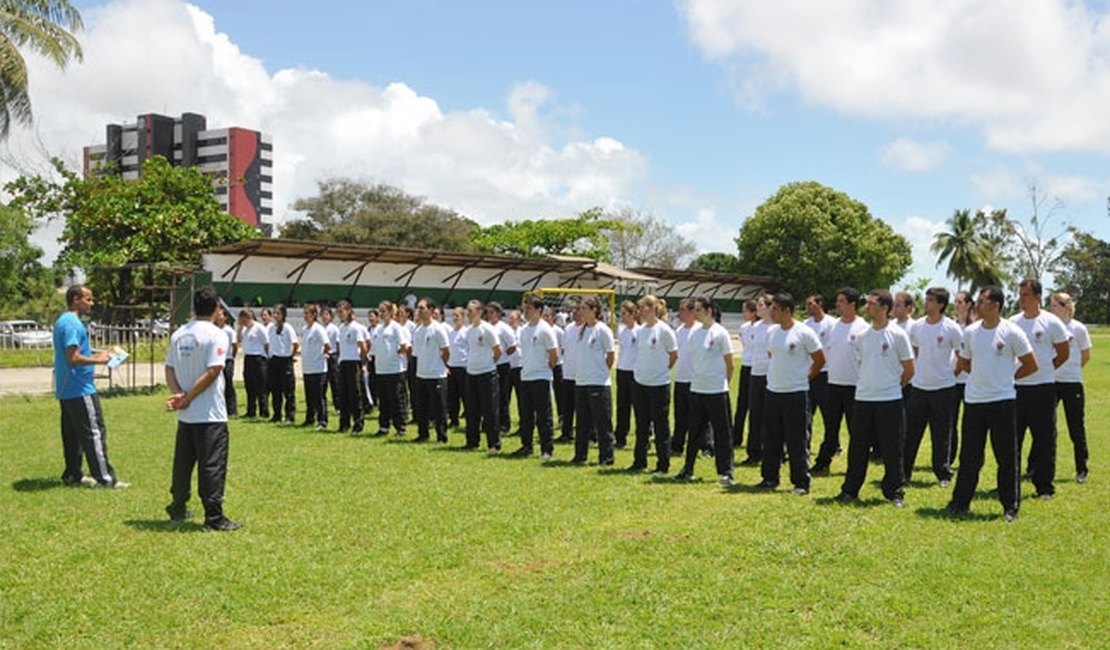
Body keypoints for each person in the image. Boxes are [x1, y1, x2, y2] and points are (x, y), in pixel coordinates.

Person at [948, 286, 1037, 521]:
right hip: (975, 401)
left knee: (1006, 457)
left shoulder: (1012, 332)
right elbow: (965, 362)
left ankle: (1010, 507)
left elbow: (1031, 364)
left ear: (995, 306)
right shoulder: (971, 332)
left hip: (1002, 402)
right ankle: (960, 503)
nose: (976, 305)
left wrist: (1008, 379)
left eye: (982, 301)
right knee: (969, 456)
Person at [164, 286, 240, 531]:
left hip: (186, 415)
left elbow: (169, 368)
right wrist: (188, 397)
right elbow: (213, 371)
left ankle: (178, 505)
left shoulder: (179, 334)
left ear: (194, 308)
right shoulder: (217, 335)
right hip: (209, 412)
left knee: (183, 462)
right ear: (217, 308)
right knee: (212, 463)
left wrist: (178, 394)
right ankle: (214, 517)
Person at [836, 290, 914, 507]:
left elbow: (909, 369)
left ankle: (894, 492)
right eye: (867, 303)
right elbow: (863, 364)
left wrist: (893, 386)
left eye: (871, 303)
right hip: (863, 399)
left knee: (892, 448)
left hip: (890, 400)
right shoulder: (862, 336)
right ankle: (850, 490)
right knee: (858, 447)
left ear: (884, 308)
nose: (867, 307)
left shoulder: (898, 335)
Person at [52, 284, 128, 488]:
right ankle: (105, 479)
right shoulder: (72, 323)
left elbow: (75, 352)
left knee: (73, 434)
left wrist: (99, 353)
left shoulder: (63, 321)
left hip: (67, 389)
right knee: (94, 432)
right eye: (88, 299)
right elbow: (73, 358)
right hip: (80, 388)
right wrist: (100, 360)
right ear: (75, 299)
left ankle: (72, 475)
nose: (91, 303)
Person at [757, 293, 824, 494]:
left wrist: (806, 377)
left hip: (796, 393)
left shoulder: (804, 332)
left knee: (797, 439)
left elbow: (819, 359)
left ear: (787, 311)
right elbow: (773, 355)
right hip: (773, 391)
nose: (771, 312)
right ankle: (770, 477)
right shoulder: (772, 332)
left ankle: (801, 482)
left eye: (775, 308)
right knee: (770, 438)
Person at [1011, 279, 1069, 499]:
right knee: (1012, 438)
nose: (1021, 298)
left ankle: (1044, 486)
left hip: (1043, 388)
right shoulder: (1013, 322)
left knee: (1044, 438)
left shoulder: (1051, 322)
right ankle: (1010, 483)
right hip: (1016, 388)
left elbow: (1063, 353)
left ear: (1037, 297)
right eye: (1020, 294)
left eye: (1026, 294)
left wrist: (1045, 369)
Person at [903, 287, 961, 487]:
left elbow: (961, 355)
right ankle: (904, 472)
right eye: (926, 299)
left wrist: (951, 373)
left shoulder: (951, 328)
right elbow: (915, 352)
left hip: (944, 388)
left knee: (941, 434)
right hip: (919, 387)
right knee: (911, 432)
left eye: (930, 300)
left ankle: (943, 473)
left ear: (941, 304)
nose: (926, 303)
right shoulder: (917, 327)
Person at [675, 297, 735, 485]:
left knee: (722, 432)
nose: (695, 313)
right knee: (694, 431)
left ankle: (726, 471)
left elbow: (730, 363)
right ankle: (688, 468)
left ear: (709, 311)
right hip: (697, 389)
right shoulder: (696, 333)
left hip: (717, 390)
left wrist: (724, 383)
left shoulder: (720, 333)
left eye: (699, 310)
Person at [810, 288, 868, 475]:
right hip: (833, 384)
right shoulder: (833, 326)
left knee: (856, 431)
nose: (838, 305)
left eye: (841, 301)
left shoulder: (863, 328)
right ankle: (823, 462)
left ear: (852, 304)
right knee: (830, 427)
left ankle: (857, 466)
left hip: (855, 386)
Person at [630, 295, 677, 474]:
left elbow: (673, 355)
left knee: (660, 426)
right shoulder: (641, 330)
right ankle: (639, 461)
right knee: (641, 425)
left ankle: (663, 464)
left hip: (658, 384)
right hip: (640, 382)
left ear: (652, 308)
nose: (640, 312)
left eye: (642, 308)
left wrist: (662, 371)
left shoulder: (664, 330)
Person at [1050, 292, 1092, 484]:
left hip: (1072, 382)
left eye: (1055, 305)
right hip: (1051, 381)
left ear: (1066, 307)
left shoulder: (1078, 329)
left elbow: (1086, 355)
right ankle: (1036, 467)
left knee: (1075, 426)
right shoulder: (1049, 326)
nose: (1052, 309)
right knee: (1045, 426)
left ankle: (1081, 468)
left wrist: (1073, 370)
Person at [571, 295, 616, 466]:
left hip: (598, 382)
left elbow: (611, 355)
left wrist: (602, 371)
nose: (581, 311)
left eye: (584, 308)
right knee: (582, 422)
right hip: (581, 381)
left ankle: (606, 457)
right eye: (580, 308)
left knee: (602, 422)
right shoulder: (582, 329)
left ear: (594, 310)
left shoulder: (602, 329)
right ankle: (580, 455)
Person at [515, 295, 559, 459]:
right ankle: (526, 445)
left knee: (543, 415)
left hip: (541, 377)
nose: (526, 312)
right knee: (525, 414)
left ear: (539, 310)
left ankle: (547, 449)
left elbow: (554, 354)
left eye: (529, 309)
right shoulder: (524, 330)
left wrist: (546, 367)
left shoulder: (545, 329)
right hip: (526, 376)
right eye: (525, 308)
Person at [464, 299, 502, 452]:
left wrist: (489, 363)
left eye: (471, 311)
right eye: (467, 311)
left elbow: (498, 350)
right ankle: (472, 441)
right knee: (471, 409)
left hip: (486, 373)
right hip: (471, 372)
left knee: (490, 410)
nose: (468, 314)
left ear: (480, 312)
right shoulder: (469, 330)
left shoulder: (487, 329)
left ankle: (493, 443)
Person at [739, 296, 772, 466]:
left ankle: (774, 453)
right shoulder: (755, 327)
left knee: (771, 417)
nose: (757, 307)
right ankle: (754, 453)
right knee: (755, 414)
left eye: (761, 304)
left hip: (771, 375)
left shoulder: (775, 327)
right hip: (755, 374)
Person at [371, 301, 411, 437]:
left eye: (384, 311)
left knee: (396, 399)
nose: (381, 314)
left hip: (394, 370)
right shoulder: (380, 329)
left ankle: (400, 426)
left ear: (391, 313)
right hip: (381, 369)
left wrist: (395, 354)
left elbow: (404, 345)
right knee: (383, 400)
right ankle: (384, 426)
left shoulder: (396, 328)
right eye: (380, 311)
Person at [413, 298, 450, 443]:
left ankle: (441, 436)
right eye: (418, 308)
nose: (419, 311)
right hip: (421, 373)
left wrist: (444, 366)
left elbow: (446, 350)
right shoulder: (418, 330)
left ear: (431, 310)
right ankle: (423, 434)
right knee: (422, 407)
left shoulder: (438, 328)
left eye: (422, 308)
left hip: (436, 374)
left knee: (439, 408)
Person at [670, 299, 704, 457]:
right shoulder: (679, 330)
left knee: (698, 416)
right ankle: (677, 444)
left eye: (683, 309)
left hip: (695, 379)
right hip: (681, 377)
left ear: (692, 312)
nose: (680, 313)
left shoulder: (699, 330)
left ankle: (704, 446)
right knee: (680, 414)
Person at [803, 294, 835, 452]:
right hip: (809, 373)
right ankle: (805, 444)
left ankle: (833, 444)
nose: (808, 307)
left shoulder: (831, 323)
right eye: (807, 304)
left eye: (811, 304)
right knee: (806, 413)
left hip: (825, 373)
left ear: (820, 304)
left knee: (828, 413)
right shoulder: (805, 325)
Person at [950, 290, 978, 464]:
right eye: (956, 301)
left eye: (960, 302)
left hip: (968, 379)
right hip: (952, 381)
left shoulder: (974, 327)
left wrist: (958, 369)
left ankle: (968, 459)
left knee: (969, 424)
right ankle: (949, 457)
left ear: (969, 304)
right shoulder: (952, 325)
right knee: (950, 422)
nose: (957, 305)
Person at [335, 300, 369, 434]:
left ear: (348, 311)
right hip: (343, 362)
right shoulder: (342, 328)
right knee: (343, 394)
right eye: (338, 312)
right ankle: (344, 424)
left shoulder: (356, 327)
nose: (340, 314)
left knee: (355, 394)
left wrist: (363, 360)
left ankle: (358, 423)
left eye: (342, 311)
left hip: (353, 362)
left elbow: (363, 345)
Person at [730, 300, 758, 449]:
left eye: (745, 311)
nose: (743, 314)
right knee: (742, 403)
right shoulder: (744, 327)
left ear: (754, 312)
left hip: (757, 368)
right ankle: (736, 436)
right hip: (746, 366)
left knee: (755, 405)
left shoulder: (762, 328)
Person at [265, 304, 299, 425]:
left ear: (283, 314)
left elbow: (295, 344)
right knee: (275, 389)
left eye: (277, 313)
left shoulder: (288, 328)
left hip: (285, 360)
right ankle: (277, 414)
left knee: (288, 390)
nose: (275, 315)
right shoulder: (271, 328)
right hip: (274, 360)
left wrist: (290, 355)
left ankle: (290, 416)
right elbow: (268, 343)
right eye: (274, 313)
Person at [486, 302, 517, 435]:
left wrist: (503, 355)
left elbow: (512, 346)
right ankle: (491, 422)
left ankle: (504, 423)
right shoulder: (486, 327)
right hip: (489, 364)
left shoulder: (503, 328)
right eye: (488, 312)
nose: (489, 315)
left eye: (492, 312)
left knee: (503, 395)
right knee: (490, 396)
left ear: (499, 313)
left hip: (502, 364)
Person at [614, 301, 640, 449]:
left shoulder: (639, 331)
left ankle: (644, 435)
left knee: (638, 406)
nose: (622, 316)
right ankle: (620, 437)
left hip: (634, 372)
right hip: (622, 370)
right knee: (622, 406)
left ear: (633, 314)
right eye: (621, 313)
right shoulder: (622, 331)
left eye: (624, 313)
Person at [299, 304, 330, 430]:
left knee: (319, 396)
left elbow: (327, 344)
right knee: (309, 396)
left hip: (318, 368)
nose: (305, 316)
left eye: (308, 313)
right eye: (304, 313)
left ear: (314, 315)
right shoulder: (305, 329)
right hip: (307, 367)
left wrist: (323, 354)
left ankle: (322, 421)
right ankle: (309, 418)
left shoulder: (318, 329)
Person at [557, 300, 581, 443]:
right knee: (567, 406)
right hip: (568, 373)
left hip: (582, 374)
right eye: (574, 309)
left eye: (578, 309)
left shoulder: (588, 328)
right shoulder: (569, 328)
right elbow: (564, 349)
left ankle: (588, 433)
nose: (575, 312)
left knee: (583, 408)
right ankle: (566, 432)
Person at [237, 308, 269, 419]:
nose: (242, 322)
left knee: (261, 386)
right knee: (249, 386)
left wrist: (266, 359)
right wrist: (240, 328)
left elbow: (266, 343)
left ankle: (264, 411)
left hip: (258, 358)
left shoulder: (259, 328)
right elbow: (238, 340)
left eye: (243, 320)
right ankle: (251, 411)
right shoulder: (245, 329)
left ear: (248, 317)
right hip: (248, 358)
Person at [446, 306, 470, 429]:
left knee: (466, 396)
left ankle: (470, 418)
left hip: (463, 367)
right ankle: (453, 419)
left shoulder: (466, 332)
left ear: (463, 317)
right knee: (452, 397)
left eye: (457, 316)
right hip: (452, 367)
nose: (455, 318)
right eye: (453, 315)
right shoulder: (450, 332)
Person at [215, 306, 239, 417]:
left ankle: (232, 409)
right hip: (217, 360)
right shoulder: (214, 330)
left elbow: (235, 345)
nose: (218, 317)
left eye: (220, 315)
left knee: (228, 384)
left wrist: (232, 357)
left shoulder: (229, 330)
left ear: (225, 317)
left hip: (227, 359)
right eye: (217, 315)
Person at [321, 306, 341, 413]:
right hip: (323, 357)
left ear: (331, 317)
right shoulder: (321, 328)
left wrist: (337, 356)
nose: (324, 317)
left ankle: (338, 406)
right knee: (323, 382)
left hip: (332, 356)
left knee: (335, 382)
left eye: (326, 315)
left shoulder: (334, 328)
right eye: (323, 315)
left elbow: (338, 343)